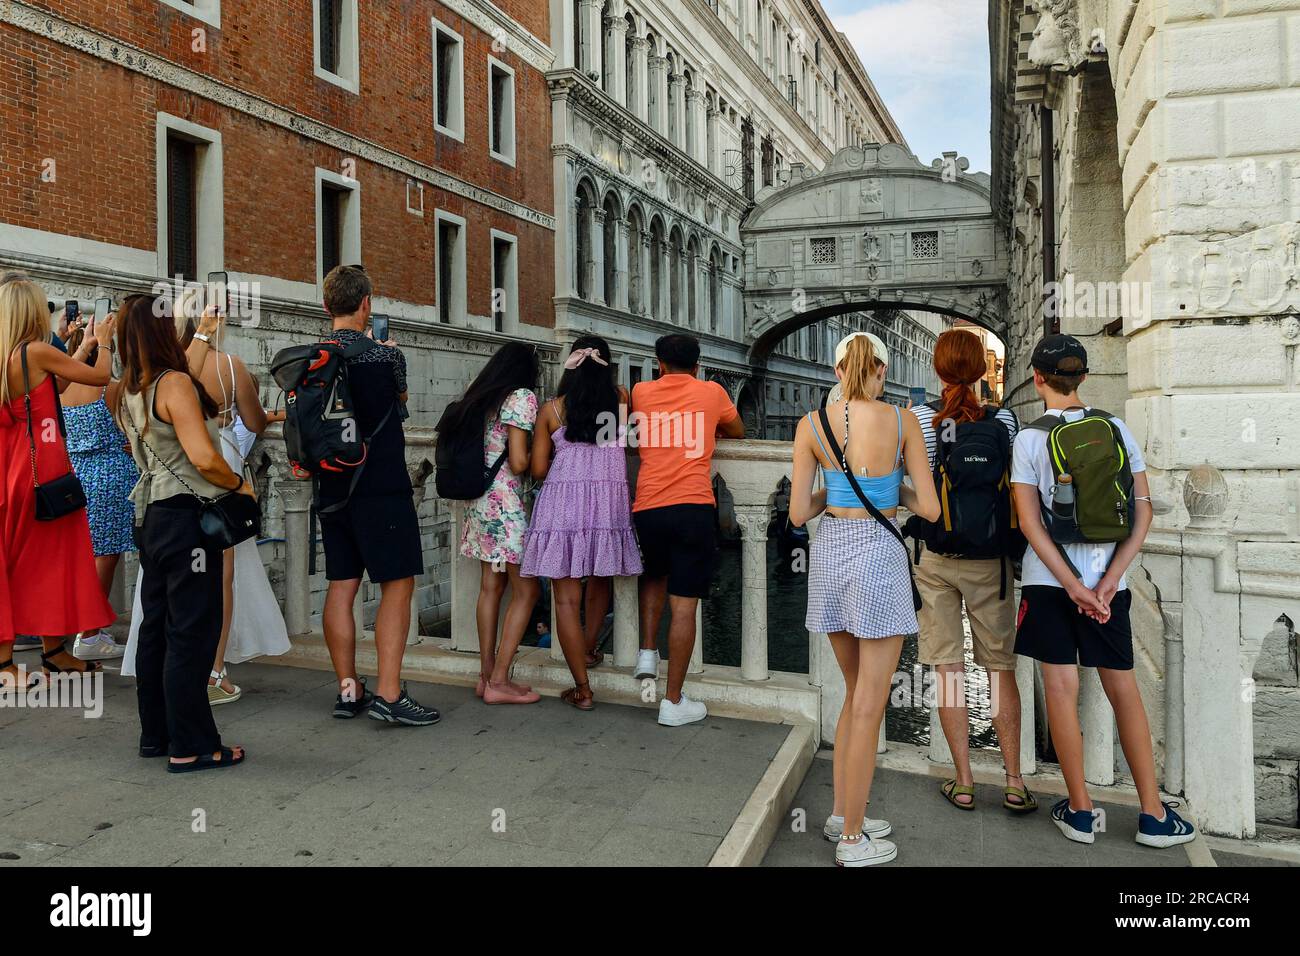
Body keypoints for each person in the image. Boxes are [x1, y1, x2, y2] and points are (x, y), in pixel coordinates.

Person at [1011, 334, 1195, 848]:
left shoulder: (1028, 440)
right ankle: (1154, 815)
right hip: (1108, 586)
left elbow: (1029, 523)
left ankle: (1082, 811)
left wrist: (1070, 585)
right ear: (1084, 378)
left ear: (1039, 379)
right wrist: (1109, 580)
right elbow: (1143, 511)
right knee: (1124, 691)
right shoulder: (1116, 429)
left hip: (1050, 584)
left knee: (1062, 692)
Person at [790, 332, 940, 867]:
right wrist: (889, 488)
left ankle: (840, 813)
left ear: (836, 372)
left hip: (830, 555)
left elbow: (797, 515)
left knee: (855, 696)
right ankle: (853, 839)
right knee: (871, 702)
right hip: (878, 557)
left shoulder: (810, 425)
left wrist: (839, 490)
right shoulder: (904, 422)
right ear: (880, 369)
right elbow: (930, 508)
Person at [112, 293, 250, 772]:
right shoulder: (173, 385)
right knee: (191, 630)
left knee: (156, 628)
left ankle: (157, 733)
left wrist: (204, 335)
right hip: (188, 518)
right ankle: (193, 745)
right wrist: (241, 486)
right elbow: (205, 457)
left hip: (152, 518)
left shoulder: (127, 389)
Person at [905, 329, 1033, 813]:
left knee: (949, 672)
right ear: (983, 370)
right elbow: (1019, 488)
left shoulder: (921, 419)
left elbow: (920, 495)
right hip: (992, 561)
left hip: (937, 561)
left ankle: (962, 781)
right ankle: (1015, 781)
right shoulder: (1006, 422)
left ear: (937, 371)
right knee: (1000, 670)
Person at [316, 265, 438, 725]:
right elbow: (400, 405)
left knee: (341, 586)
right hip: (381, 485)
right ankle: (389, 694)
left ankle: (349, 691)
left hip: (331, 486)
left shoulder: (313, 357)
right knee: (397, 584)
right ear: (366, 304)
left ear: (327, 307)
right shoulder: (386, 357)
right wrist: (391, 357)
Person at [1, 273, 117, 682]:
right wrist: (102, 341)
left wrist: (79, 346)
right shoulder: (34, 351)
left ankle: (37, 655)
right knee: (52, 562)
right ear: (31, 311)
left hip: (11, 470)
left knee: (16, 563)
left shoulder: (10, 355)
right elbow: (100, 377)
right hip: (44, 474)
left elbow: (55, 387)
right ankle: (35, 656)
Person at [178, 286, 289, 704]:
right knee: (221, 575)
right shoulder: (230, 367)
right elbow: (255, 421)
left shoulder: (166, 368)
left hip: (178, 466)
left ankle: (180, 662)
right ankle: (213, 671)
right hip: (220, 465)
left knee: (179, 569)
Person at [522, 336, 642, 710]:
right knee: (601, 578)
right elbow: (633, 446)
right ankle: (589, 648)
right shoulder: (621, 399)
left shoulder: (552, 410)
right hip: (609, 502)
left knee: (565, 600)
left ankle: (583, 688)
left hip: (562, 505)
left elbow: (539, 470)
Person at [630, 333, 744, 726]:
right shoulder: (711, 392)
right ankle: (673, 701)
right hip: (692, 507)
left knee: (654, 575)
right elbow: (738, 430)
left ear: (659, 363)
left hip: (648, 506)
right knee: (685, 604)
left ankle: (647, 651)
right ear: (697, 366)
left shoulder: (641, 391)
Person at [439, 341, 542, 705]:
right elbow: (517, 461)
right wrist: (540, 451)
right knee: (527, 591)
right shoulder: (522, 397)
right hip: (506, 507)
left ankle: (486, 676)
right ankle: (499, 679)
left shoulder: (480, 397)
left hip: (480, 503)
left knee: (491, 587)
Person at [60, 322, 139, 662]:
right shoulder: (110, 388)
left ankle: (81, 627)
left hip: (73, 475)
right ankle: (89, 633)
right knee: (104, 558)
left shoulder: (59, 386)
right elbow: (135, 428)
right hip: (108, 476)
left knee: (79, 556)